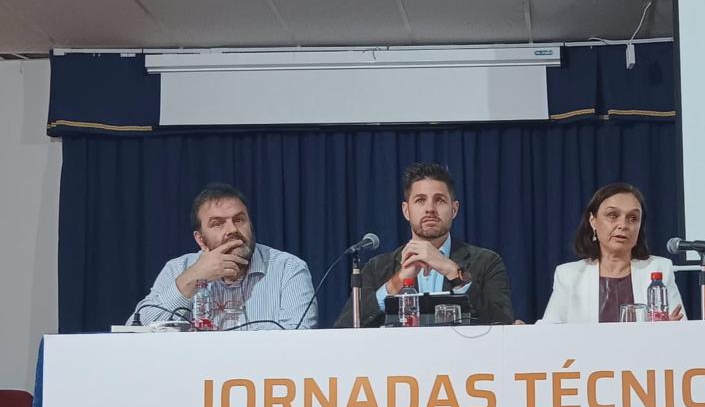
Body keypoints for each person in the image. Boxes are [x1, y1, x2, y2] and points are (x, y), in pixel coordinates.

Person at [334, 163, 514, 328]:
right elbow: (344, 329)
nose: (430, 209)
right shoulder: (378, 267)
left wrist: (452, 271)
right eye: (420, 200)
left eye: (440, 200)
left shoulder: (487, 262)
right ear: (406, 210)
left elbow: (504, 324)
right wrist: (396, 283)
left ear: (454, 209)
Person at [130, 183, 317, 329]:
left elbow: (298, 339)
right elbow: (135, 329)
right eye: (218, 223)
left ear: (250, 225)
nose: (232, 230)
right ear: (200, 239)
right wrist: (192, 278)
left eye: (239, 220)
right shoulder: (178, 269)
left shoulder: (288, 269)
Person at [540, 183, 685, 323]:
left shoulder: (659, 269)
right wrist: (524, 332)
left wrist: (670, 330)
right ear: (593, 221)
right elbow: (550, 331)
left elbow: (681, 327)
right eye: (613, 215)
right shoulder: (569, 275)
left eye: (633, 218)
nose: (623, 225)